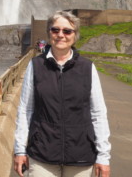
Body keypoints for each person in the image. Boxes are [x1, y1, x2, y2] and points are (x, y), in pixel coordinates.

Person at [13, 10, 111, 177]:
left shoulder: (87, 68)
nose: (61, 35)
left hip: (81, 154)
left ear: (75, 35)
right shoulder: (36, 65)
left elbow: (98, 113)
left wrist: (103, 156)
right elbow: (25, 109)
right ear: (49, 33)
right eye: (55, 30)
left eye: (67, 31)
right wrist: (20, 150)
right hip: (42, 153)